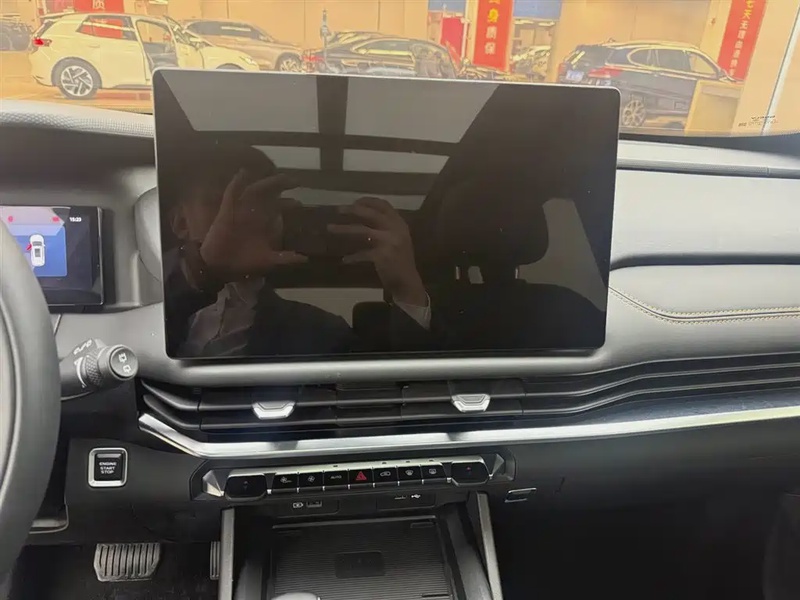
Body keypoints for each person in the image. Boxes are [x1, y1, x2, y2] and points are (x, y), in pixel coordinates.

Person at [163, 146, 431, 358]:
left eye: (259, 203)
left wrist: (408, 291)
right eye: (218, 201)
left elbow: (390, 395)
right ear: (180, 222)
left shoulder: (324, 333)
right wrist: (202, 271)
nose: (239, 217)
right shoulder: (146, 290)